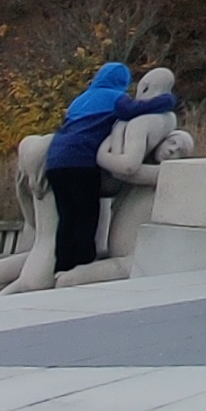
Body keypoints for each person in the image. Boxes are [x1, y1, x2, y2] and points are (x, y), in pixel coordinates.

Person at [42, 57, 136, 276]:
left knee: (67, 216)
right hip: (81, 162)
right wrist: (164, 100)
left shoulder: (79, 100)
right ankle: (82, 265)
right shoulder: (117, 98)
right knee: (86, 214)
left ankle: (62, 266)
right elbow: (137, 110)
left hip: (55, 160)